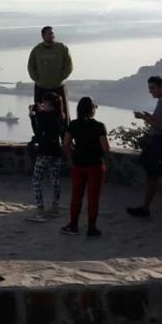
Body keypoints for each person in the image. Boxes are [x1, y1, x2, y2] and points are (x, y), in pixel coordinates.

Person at [127, 76, 162, 218]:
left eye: (153, 88)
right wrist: (150, 116)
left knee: (152, 177)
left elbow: (160, 125)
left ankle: (145, 208)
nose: (150, 92)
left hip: (158, 143)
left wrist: (142, 117)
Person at [61, 96, 109, 237]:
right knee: (93, 198)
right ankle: (91, 228)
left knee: (76, 196)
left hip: (78, 165)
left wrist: (71, 158)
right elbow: (106, 148)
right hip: (95, 165)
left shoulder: (74, 125)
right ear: (91, 109)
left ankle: (73, 225)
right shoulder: (99, 126)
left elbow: (65, 143)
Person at [27, 92, 64, 222]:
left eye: (45, 102)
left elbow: (37, 131)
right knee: (55, 180)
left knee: (36, 179)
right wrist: (39, 113)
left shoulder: (44, 116)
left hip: (44, 152)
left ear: (50, 103)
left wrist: (33, 114)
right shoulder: (59, 116)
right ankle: (55, 208)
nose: (43, 104)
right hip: (56, 152)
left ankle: (40, 211)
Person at [27, 26, 73, 119]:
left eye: (52, 33)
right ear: (43, 36)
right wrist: (38, 80)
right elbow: (31, 67)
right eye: (49, 33)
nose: (52, 35)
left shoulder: (62, 48)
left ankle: (65, 131)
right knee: (40, 113)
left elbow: (69, 65)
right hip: (41, 88)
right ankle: (39, 132)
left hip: (58, 87)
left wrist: (61, 78)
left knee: (63, 112)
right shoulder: (36, 50)